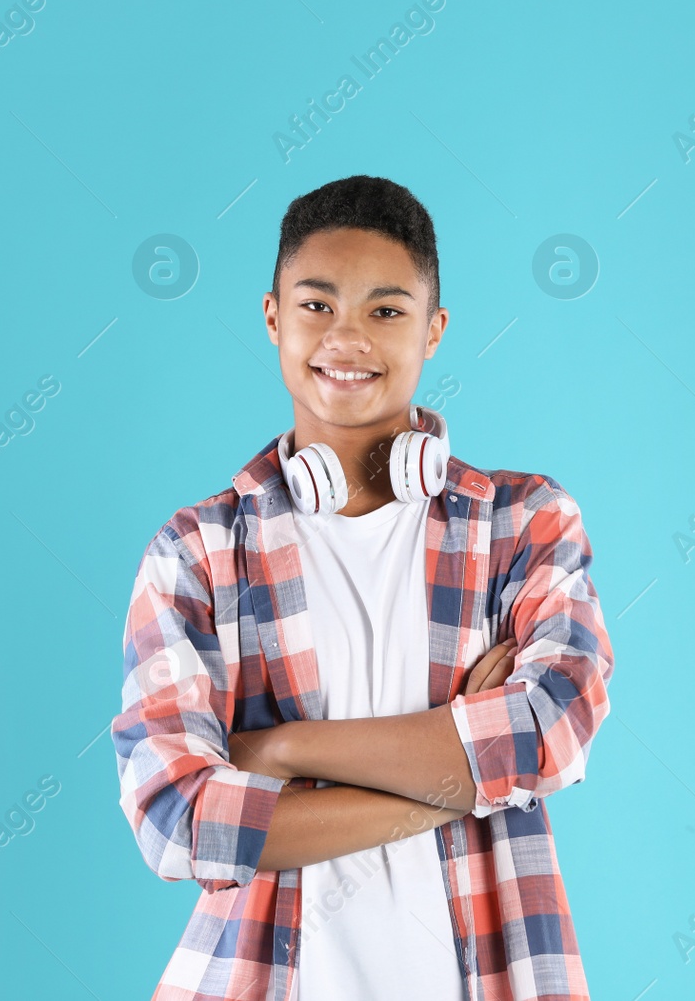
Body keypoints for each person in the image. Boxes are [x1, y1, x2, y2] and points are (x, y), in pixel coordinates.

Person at [111, 175, 614, 1000]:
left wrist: (277, 748)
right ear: (272, 317)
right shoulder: (197, 554)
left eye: (386, 310)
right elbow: (178, 819)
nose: (346, 338)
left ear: (434, 330)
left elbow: (551, 729)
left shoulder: (524, 524)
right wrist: (458, 776)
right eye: (317, 306)